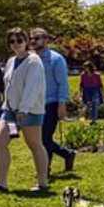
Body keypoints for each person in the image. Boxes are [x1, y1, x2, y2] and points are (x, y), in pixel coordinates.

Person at [0, 29, 49, 192]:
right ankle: (2, 183)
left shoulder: (34, 61)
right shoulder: (11, 61)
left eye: (19, 40)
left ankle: (42, 182)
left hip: (30, 110)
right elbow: (9, 85)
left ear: (26, 41)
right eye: (12, 41)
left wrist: (24, 109)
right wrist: (6, 106)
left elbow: (32, 88)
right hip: (10, 110)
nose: (15, 44)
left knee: (34, 144)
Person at [29, 28, 75, 173]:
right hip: (34, 104)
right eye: (32, 38)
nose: (33, 41)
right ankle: (67, 154)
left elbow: (63, 83)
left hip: (51, 103)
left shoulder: (56, 59)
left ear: (46, 40)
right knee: (39, 139)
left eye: (37, 38)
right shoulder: (30, 59)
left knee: (44, 138)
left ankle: (45, 169)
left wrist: (62, 104)